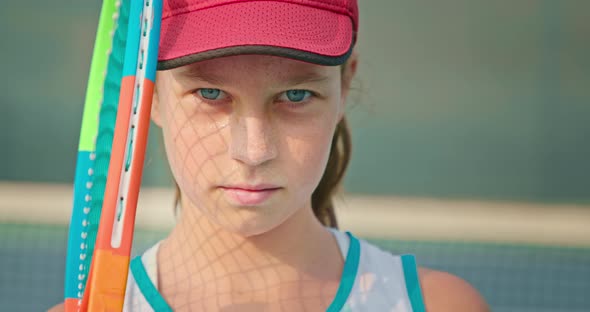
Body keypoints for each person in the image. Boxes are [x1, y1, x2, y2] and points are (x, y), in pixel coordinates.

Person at [51, 0, 489, 311]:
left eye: (295, 94)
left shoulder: (440, 305)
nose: (253, 152)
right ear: (152, 95)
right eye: (210, 93)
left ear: (344, 88)